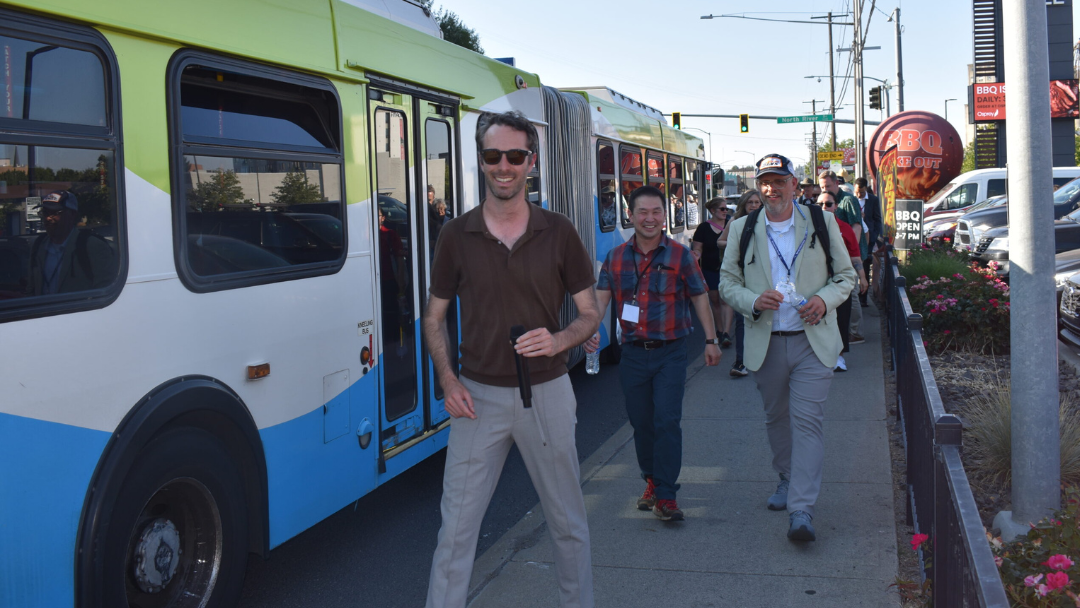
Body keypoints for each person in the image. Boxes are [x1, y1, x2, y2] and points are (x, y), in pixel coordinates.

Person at [424, 110, 599, 608]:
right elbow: (433, 318)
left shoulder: (559, 231)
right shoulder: (456, 235)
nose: (504, 166)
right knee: (455, 533)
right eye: (493, 155)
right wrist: (447, 380)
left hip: (547, 393)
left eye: (515, 156)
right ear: (481, 161)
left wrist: (560, 340)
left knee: (567, 524)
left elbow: (590, 315)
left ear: (531, 161)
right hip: (476, 399)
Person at [719, 154, 856, 542]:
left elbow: (845, 277)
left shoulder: (821, 222)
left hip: (812, 342)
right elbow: (727, 282)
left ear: (795, 185)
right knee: (777, 420)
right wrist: (751, 300)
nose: (770, 189)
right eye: (764, 182)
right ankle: (785, 478)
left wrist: (825, 300)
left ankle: (802, 509)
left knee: (807, 423)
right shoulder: (743, 227)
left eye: (779, 181)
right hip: (767, 342)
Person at [585, 185, 721, 522]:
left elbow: (700, 296)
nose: (649, 218)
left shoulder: (681, 255)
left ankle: (666, 495)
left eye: (656, 212)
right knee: (642, 423)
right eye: (642, 212)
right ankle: (651, 480)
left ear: (665, 216)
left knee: (667, 421)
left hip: (671, 353)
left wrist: (711, 339)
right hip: (633, 354)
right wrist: (587, 332)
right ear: (630, 216)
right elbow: (600, 301)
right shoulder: (616, 258)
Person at [815, 190, 867, 372]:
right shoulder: (809, 227)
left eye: (828, 204)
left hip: (839, 280)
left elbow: (855, 255)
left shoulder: (844, 228)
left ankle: (839, 356)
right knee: (818, 319)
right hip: (816, 281)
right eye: (820, 204)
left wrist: (862, 278)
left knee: (841, 319)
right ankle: (819, 356)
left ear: (836, 206)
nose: (824, 207)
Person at [29, 190, 116, 296]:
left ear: (72, 215)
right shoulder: (39, 245)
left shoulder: (91, 246)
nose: (48, 218)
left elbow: (105, 290)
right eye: (45, 212)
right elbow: (32, 287)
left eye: (55, 213)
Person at [717, 189, 763, 377]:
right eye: (750, 202)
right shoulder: (735, 223)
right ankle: (741, 361)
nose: (753, 205)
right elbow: (720, 241)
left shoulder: (768, 221)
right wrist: (737, 244)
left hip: (762, 277)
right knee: (742, 319)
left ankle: (763, 357)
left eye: (757, 202)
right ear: (743, 204)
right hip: (740, 276)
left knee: (761, 318)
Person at [818, 169, 865, 344]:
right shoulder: (818, 215)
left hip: (847, 257)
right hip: (828, 266)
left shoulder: (848, 200)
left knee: (850, 295)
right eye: (822, 186)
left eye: (827, 186)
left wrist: (849, 253)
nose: (824, 189)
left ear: (836, 183)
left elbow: (856, 227)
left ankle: (855, 332)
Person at [691, 198, 734, 348]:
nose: (725, 211)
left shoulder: (732, 224)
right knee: (715, 301)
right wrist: (696, 254)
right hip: (710, 269)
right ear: (713, 211)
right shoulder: (703, 228)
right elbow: (698, 248)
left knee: (726, 300)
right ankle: (720, 331)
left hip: (728, 269)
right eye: (722, 209)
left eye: (726, 208)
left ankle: (727, 333)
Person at [853, 177, 883, 307]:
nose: (859, 194)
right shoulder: (851, 199)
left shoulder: (873, 200)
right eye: (857, 192)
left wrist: (875, 236)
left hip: (869, 238)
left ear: (866, 189)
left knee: (865, 266)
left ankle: (863, 298)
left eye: (862, 192)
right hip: (855, 237)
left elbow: (877, 219)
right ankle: (854, 294)